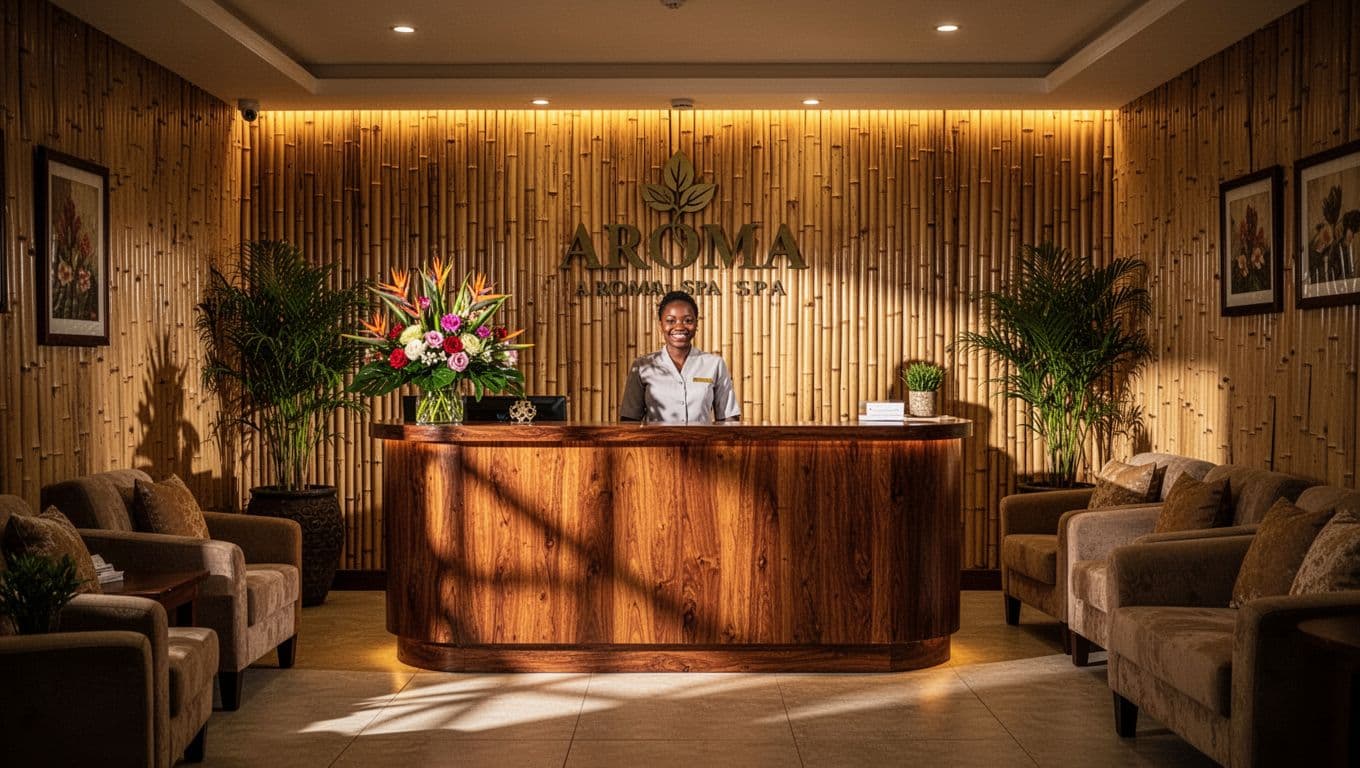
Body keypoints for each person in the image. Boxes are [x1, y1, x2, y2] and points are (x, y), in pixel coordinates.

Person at [619, 290, 740, 424]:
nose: (679, 326)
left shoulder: (714, 364)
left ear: (696, 324)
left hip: (703, 444)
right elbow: (629, 420)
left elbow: (729, 418)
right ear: (661, 325)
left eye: (688, 320)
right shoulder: (642, 366)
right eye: (671, 320)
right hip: (655, 445)